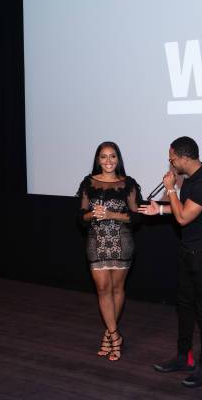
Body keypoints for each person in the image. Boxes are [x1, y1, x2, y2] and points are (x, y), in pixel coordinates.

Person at [138, 136, 202, 388]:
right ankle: (184, 356)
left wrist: (170, 189)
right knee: (184, 306)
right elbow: (183, 210)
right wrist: (160, 210)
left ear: (185, 157)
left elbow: (183, 218)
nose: (170, 163)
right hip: (187, 252)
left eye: (172, 158)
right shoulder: (190, 180)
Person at [76, 141, 142, 361]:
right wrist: (94, 214)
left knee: (116, 288)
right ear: (98, 160)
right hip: (96, 240)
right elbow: (80, 217)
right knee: (103, 289)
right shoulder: (89, 183)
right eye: (103, 157)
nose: (108, 161)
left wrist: (111, 214)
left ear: (118, 159)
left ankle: (108, 335)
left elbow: (136, 217)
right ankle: (115, 335)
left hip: (122, 240)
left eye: (112, 156)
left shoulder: (128, 184)